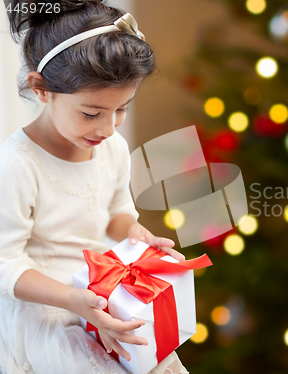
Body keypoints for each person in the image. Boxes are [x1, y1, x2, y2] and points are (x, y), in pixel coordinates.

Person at [0, 1, 189, 373]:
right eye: (91, 113)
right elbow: (5, 264)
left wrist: (137, 235)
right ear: (40, 89)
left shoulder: (112, 148)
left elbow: (115, 216)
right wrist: (74, 300)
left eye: (122, 109)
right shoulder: (17, 166)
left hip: (102, 295)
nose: (108, 128)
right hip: (48, 308)